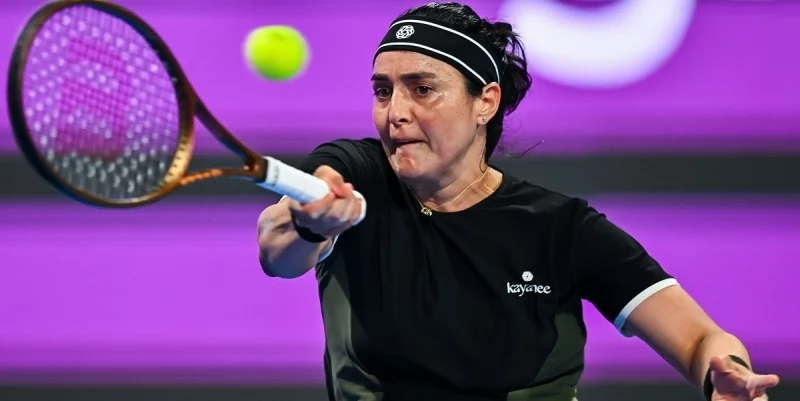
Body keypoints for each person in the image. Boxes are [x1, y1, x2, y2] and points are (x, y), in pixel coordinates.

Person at [256, 2, 780, 400]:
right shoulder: (357, 171)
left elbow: (701, 341)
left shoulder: (561, 227)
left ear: (485, 101)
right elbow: (277, 249)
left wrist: (724, 373)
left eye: (422, 89)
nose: (395, 112)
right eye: (382, 91)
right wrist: (310, 223)